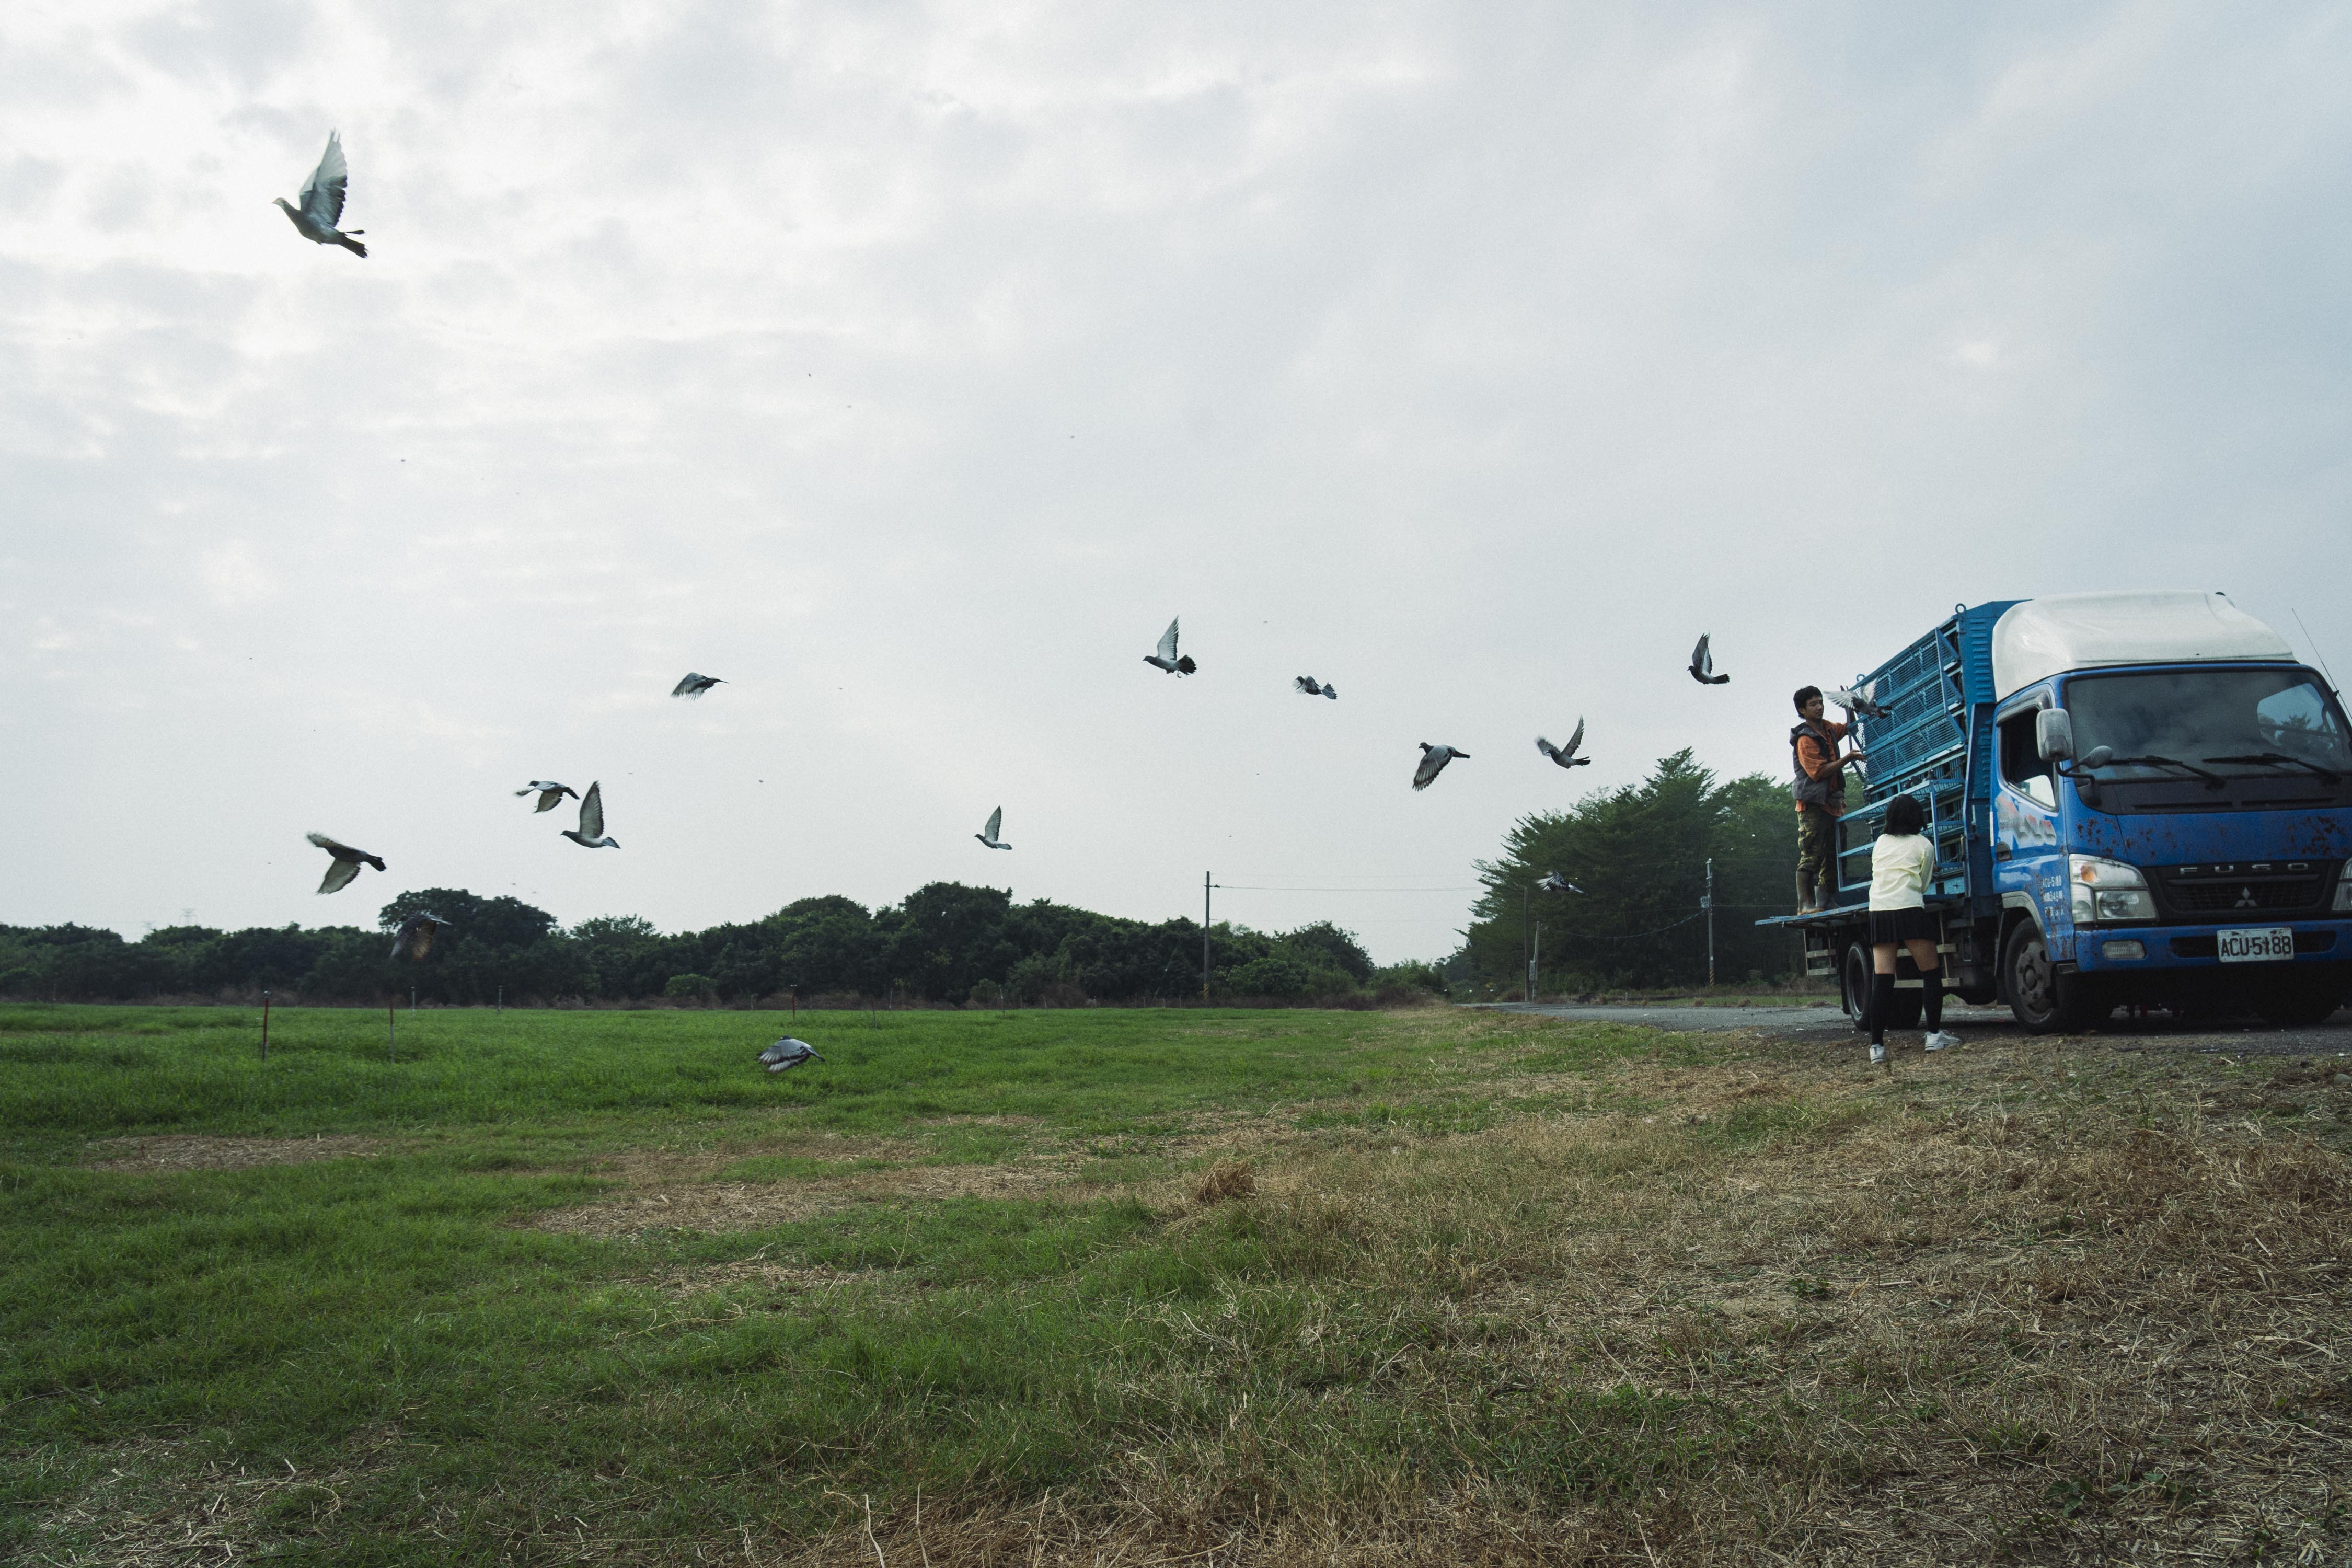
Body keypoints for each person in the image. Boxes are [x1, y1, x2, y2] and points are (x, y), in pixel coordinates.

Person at [1865, 791, 1959, 1064]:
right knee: (1930, 974)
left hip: (1880, 912)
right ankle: (1933, 1036)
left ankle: (1877, 1048)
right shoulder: (1924, 845)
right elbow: (1923, 881)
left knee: (1883, 980)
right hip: (1909, 909)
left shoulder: (1880, 842)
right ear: (1918, 817)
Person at [1790, 686, 1864, 912]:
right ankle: (1804, 903)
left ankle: (1825, 900)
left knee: (1834, 854)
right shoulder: (1805, 739)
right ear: (1802, 710)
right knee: (1812, 853)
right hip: (1813, 805)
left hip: (1832, 803)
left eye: (1821, 702)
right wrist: (1848, 758)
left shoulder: (1828, 728)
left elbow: (1848, 728)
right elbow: (1818, 773)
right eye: (1813, 704)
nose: (1819, 707)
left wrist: (1850, 707)